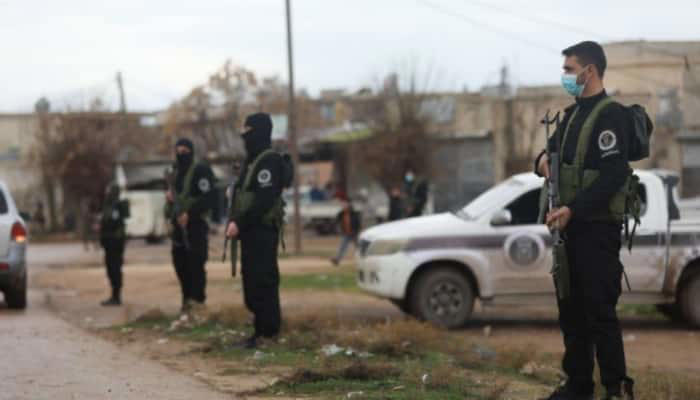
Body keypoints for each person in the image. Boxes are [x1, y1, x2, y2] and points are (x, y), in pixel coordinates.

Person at [535, 41, 635, 400]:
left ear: (589, 71)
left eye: (569, 69)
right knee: (571, 312)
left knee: (599, 312)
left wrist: (573, 209)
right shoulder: (570, 116)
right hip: (568, 232)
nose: (565, 76)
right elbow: (547, 153)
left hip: (597, 231)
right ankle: (577, 386)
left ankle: (615, 389)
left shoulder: (611, 117)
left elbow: (613, 174)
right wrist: (541, 162)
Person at [226, 113, 285, 349]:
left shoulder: (268, 161)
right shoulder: (252, 161)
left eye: (248, 131)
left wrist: (239, 223)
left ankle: (268, 334)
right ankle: (259, 331)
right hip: (250, 232)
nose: (244, 136)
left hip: (262, 231)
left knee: (263, 282)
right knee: (251, 282)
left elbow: (263, 199)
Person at [165, 138, 216, 313]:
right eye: (178, 151)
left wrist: (190, 214)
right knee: (180, 264)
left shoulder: (201, 171)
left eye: (185, 151)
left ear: (191, 152)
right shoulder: (175, 172)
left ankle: (198, 303)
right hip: (178, 226)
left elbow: (209, 197)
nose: (181, 155)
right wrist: (170, 200)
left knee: (196, 265)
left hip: (196, 226)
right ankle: (186, 302)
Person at [98, 183, 129, 306]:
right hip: (108, 242)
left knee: (115, 269)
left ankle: (116, 296)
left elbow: (115, 223)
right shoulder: (108, 205)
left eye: (108, 191)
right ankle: (114, 295)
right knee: (110, 269)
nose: (106, 193)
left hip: (115, 243)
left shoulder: (117, 205)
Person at [331, 199, 361, 266]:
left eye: (345, 205)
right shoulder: (341, 214)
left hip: (354, 234)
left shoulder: (354, 214)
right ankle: (337, 260)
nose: (344, 206)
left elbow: (358, 223)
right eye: (343, 205)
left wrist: (356, 231)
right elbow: (336, 221)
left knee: (358, 248)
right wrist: (337, 228)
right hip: (346, 233)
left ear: (349, 206)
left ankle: (362, 259)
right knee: (342, 247)